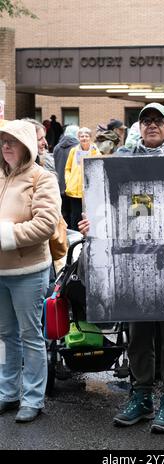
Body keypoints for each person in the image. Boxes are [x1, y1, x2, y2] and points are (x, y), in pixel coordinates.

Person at [79, 103, 164, 433]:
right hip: (132, 257)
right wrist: (92, 223)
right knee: (139, 335)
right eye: (146, 121)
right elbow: (106, 202)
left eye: (158, 121)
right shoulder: (123, 158)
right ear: (139, 127)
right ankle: (141, 396)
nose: (152, 125)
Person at [0, 120, 61, 422]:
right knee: (7, 335)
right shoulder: (1, 176)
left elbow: (45, 224)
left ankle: (33, 398)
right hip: (1, 273)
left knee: (30, 335)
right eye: (3, 141)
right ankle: (8, 393)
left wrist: (6, 236)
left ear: (27, 144)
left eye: (12, 141)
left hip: (28, 271)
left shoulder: (42, 178)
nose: (6, 146)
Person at [65, 127, 100, 231]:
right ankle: (75, 240)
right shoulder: (73, 151)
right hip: (74, 190)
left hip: (88, 190)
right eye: (81, 136)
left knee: (87, 216)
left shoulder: (95, 151)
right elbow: (67, 168)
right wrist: (69, 181)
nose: (84, 138)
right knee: (75, 216)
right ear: (78, 138)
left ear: (90, 138)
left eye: (86, 136)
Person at [53, 124, 79, 227]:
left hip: (59, 186)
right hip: (73, 187)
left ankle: (64, 236)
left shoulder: (57, 147)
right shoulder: (77, 148)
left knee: (63, 214)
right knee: (75, 214)